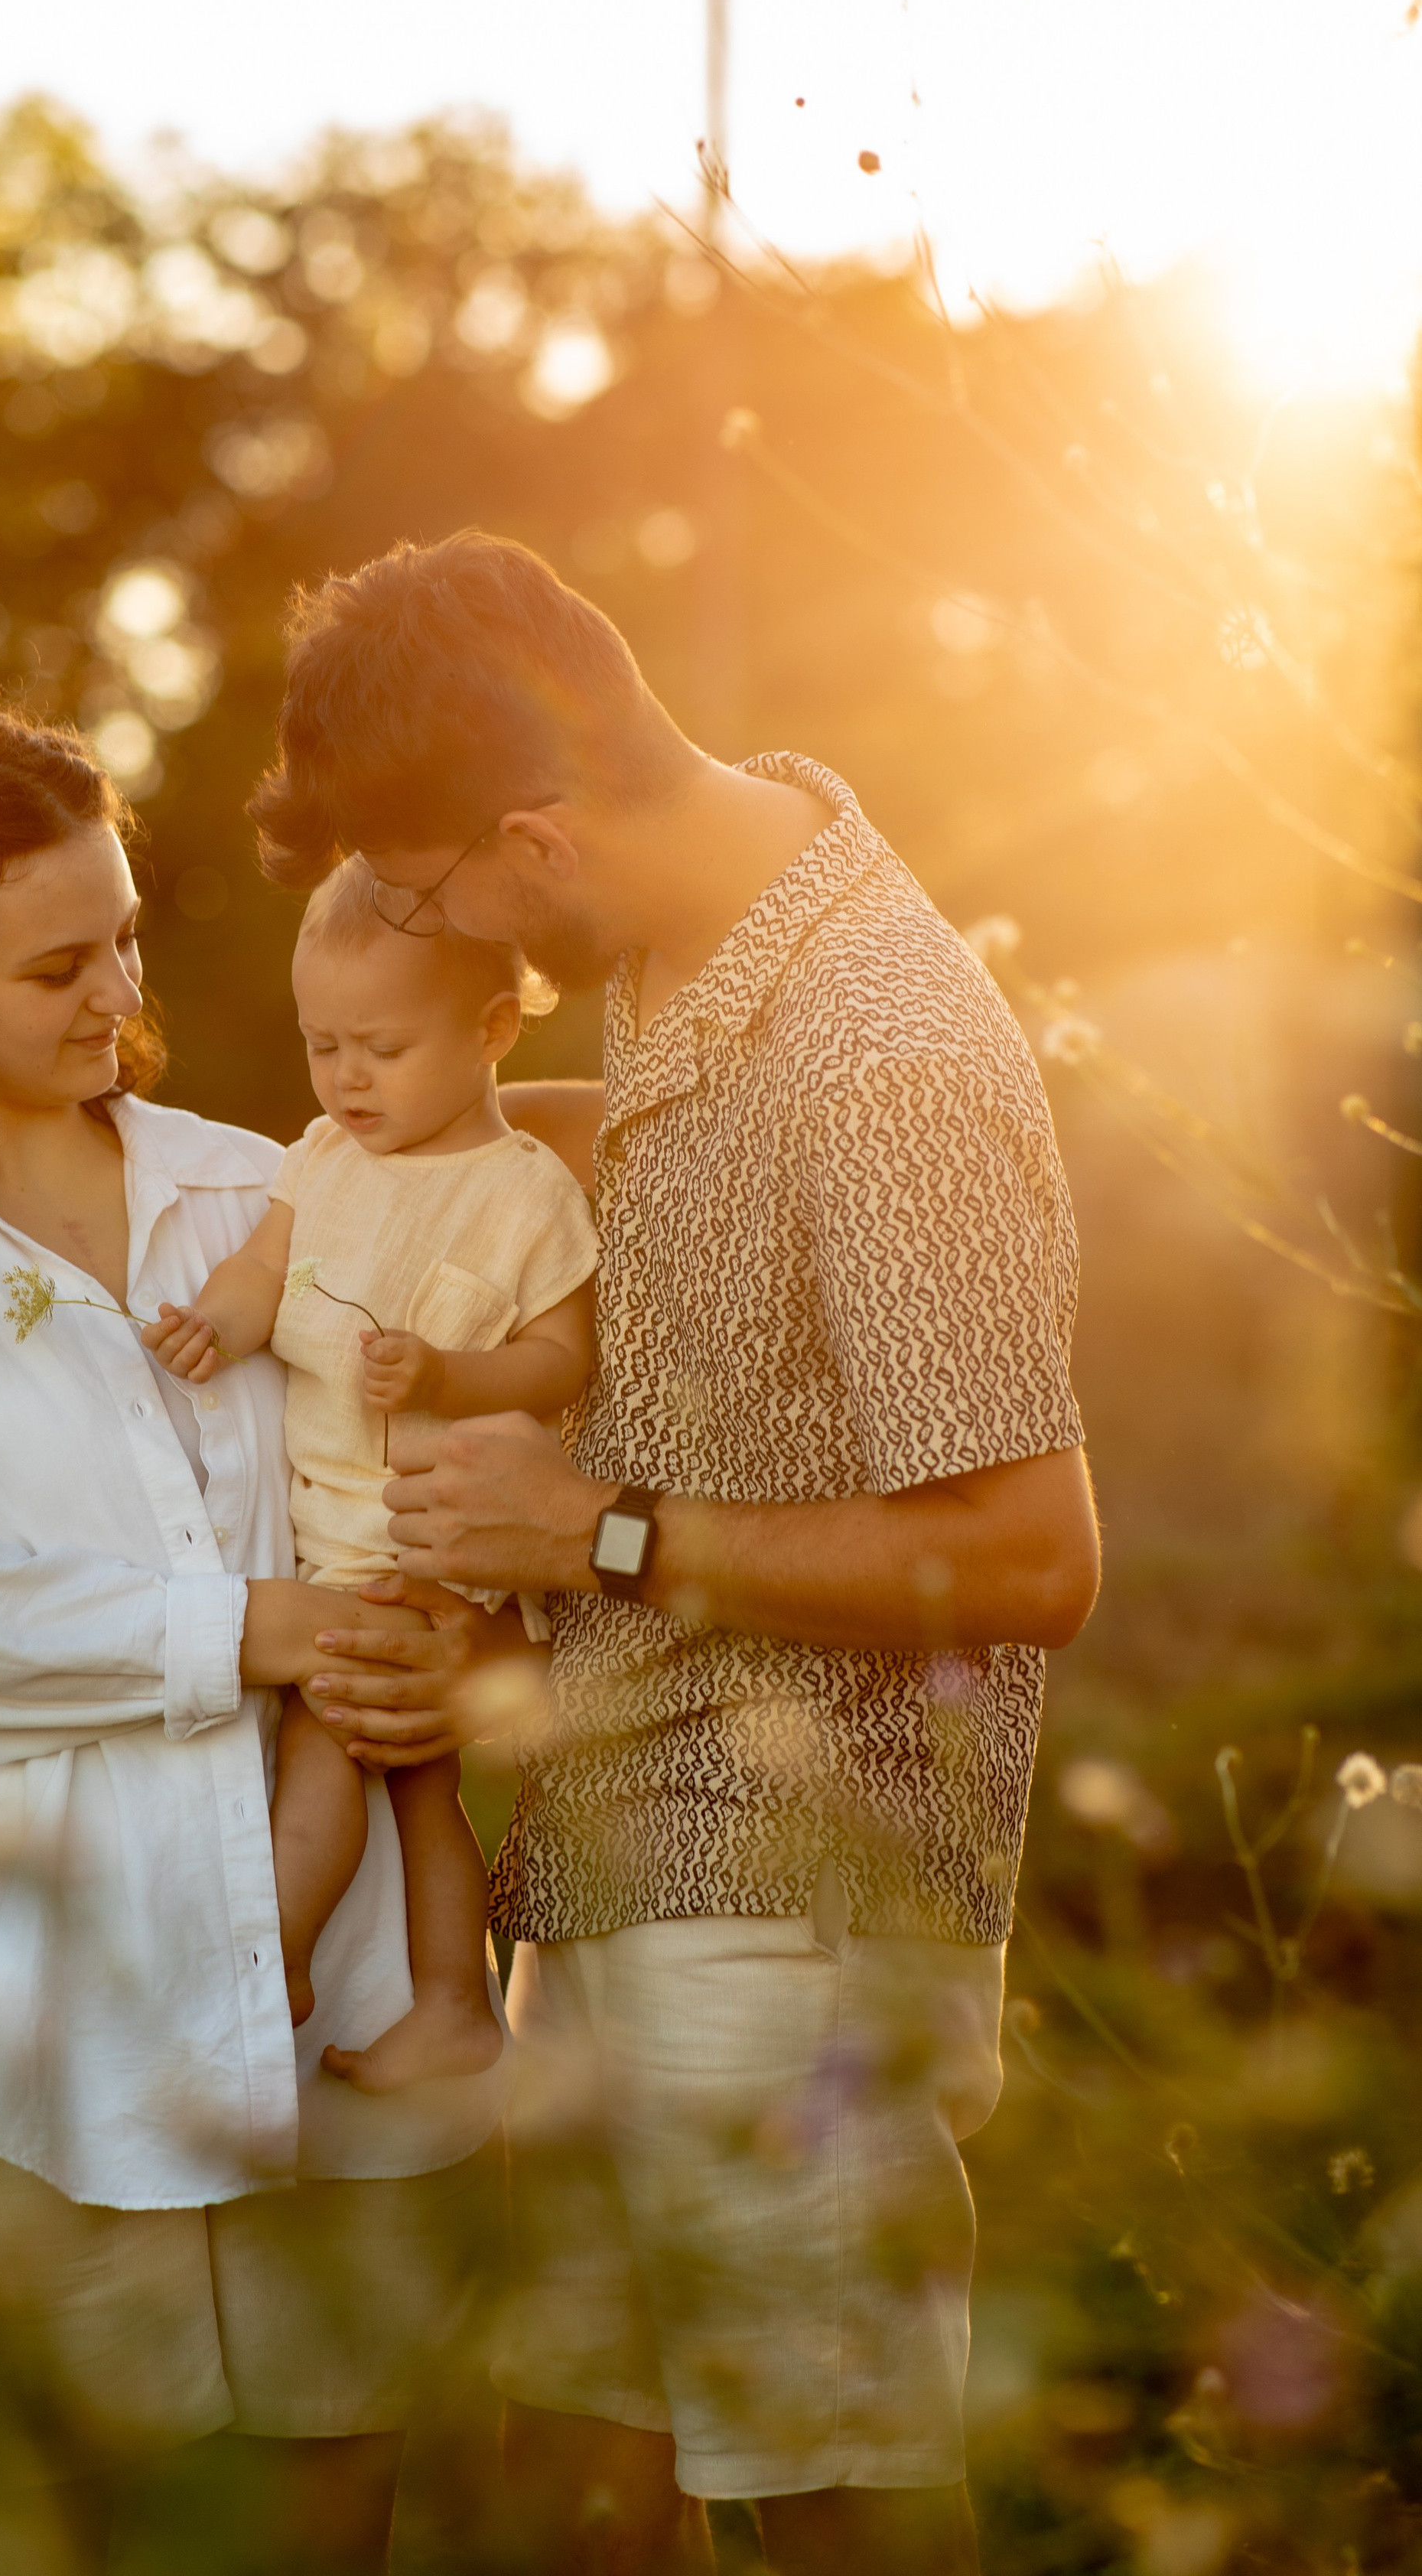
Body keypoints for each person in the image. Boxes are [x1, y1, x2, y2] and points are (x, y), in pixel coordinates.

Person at [246, 531, 1102, 2576]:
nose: (425, 938)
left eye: (427, 899)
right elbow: (601, 1154)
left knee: (829, 2493)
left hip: (801, 1904)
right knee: (574, 2484)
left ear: (534, 842)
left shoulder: (885, 1055)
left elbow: (1030, 1555)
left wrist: (594, 1531)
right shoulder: (678, 943)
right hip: (615, 1854)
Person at [0, 701, 510, 2576]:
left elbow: (441, 1367)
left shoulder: (262, 1189)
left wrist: (437, 1641)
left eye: (126, 938)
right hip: (24, 2018)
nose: (118, 994)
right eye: (56, 965)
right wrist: (259, 1627)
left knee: (324, 2521)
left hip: (328, 2000)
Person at [145, 855, 597, 2094]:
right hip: (331, 1533)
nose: (347, 1078)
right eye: (322, 1045)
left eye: (382, 1050)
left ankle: (272, 1966)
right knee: (419, 1783)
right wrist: (216, 1324)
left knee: (330, 1742)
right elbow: (262, 1271)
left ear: (493, 1029)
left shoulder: (522, 1195)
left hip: (431, 1537)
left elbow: (564, 1357)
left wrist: (453, 1374)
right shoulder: (323, 1159)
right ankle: (451, 2003)